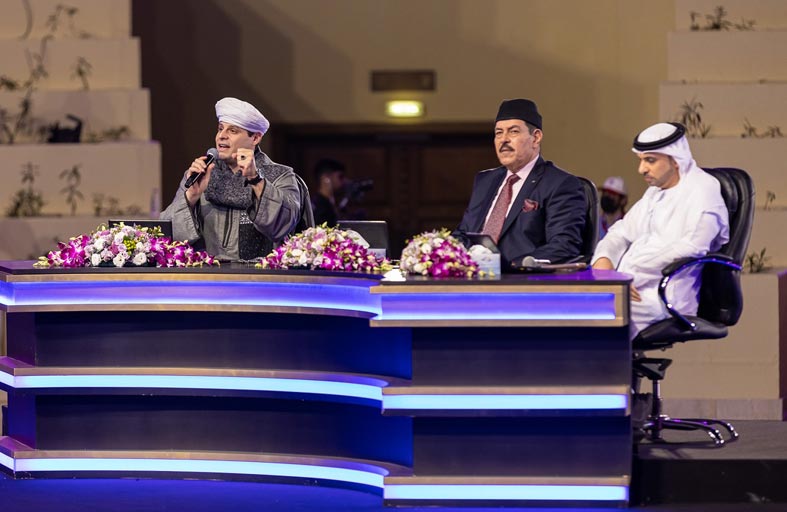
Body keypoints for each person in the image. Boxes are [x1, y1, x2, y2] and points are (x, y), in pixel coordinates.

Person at [591, 122, 729, 338]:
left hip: (664, 298)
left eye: (650, 160)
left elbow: (692, 247)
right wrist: (604, 264)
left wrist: (627, 276)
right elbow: (621, 231)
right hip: (628, 288)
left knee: (588, 314)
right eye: (641, 160)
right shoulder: (655, 192)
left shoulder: (703, 191)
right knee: (567, 307)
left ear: (675, 159)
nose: (641, 169)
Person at [161, 97, 313, 261]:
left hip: (260, 274)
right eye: (220, 129)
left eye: (232, 131)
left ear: (255, 138)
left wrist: (255, 179)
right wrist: (191, 197)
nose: (222, 136)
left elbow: (282, 227)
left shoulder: (280, 176)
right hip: (208, 273)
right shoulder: (200, 175)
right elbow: (167, 237)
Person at [453, 98, 586, 269]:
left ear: (536, 138)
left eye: (513, 132)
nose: (504, 140)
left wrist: (511, 267)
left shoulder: (561, 184)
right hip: (474, 275)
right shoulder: (485, 180)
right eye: (498, 133)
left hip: (522, 278)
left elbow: (563, 246)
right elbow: (464, 234)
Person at [312, 158, 347, 226]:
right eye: (340, 177)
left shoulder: (329, 203)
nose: (344, 181)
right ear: (326, 177)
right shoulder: (320, 207)